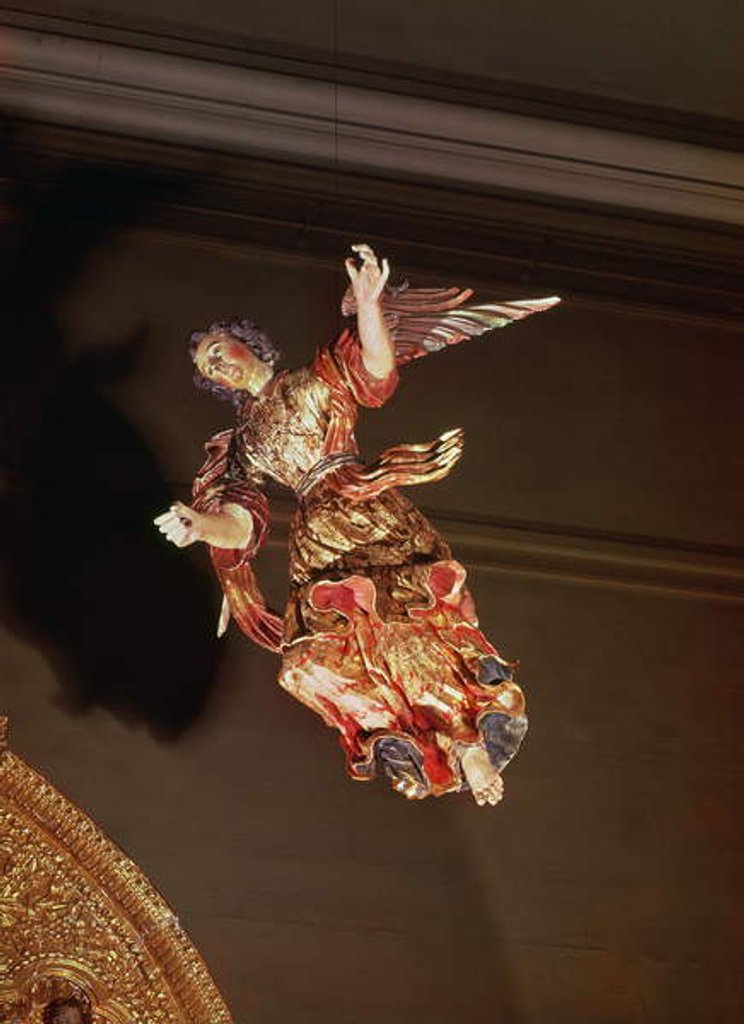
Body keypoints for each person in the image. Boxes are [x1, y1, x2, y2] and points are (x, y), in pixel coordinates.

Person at [155, 245, 559, 805]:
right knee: (306, 664)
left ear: (250, 344)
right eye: (208, 368)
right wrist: (201, 525)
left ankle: (461, 733)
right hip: (317, 541)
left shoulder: (311, 380)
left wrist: (369, 305)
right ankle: (409, 735)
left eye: (220, 351)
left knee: (402, 623)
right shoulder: (244, 443)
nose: (218, 366)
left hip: (366, 509)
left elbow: (373, 371)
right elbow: (242, 520)